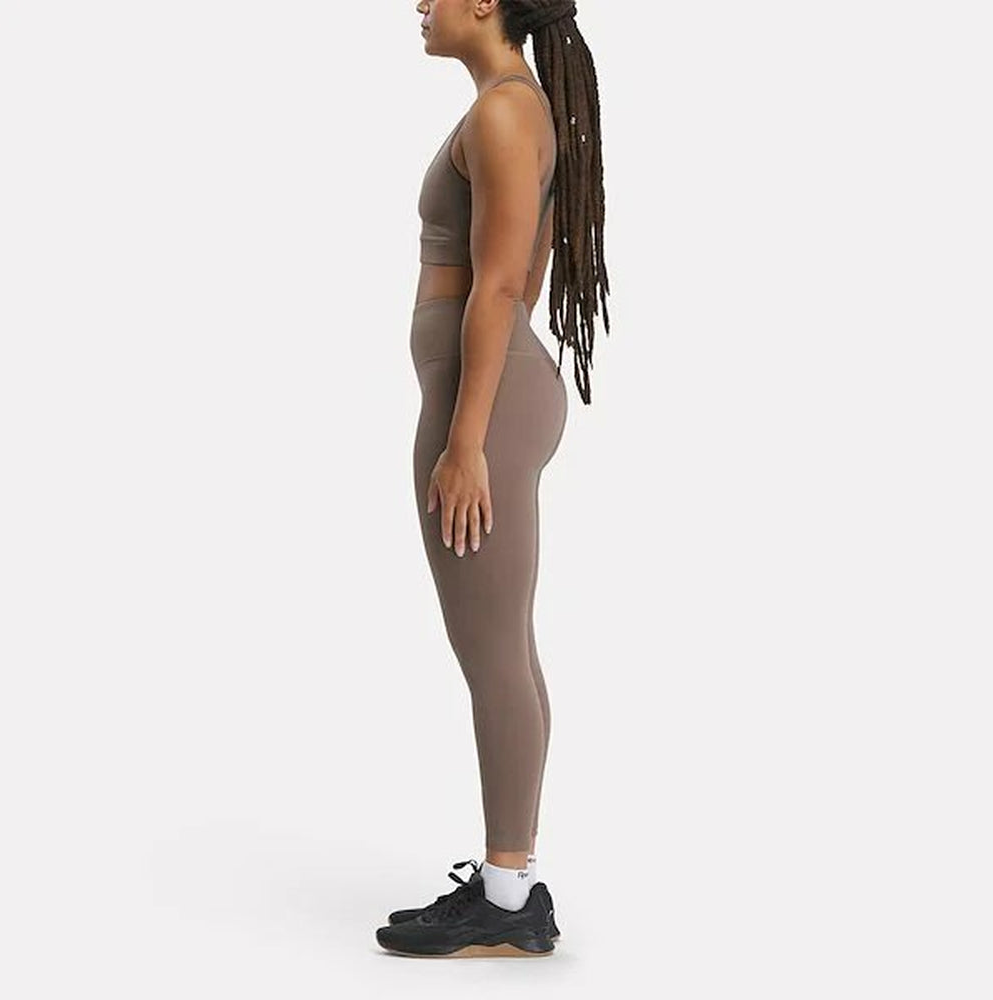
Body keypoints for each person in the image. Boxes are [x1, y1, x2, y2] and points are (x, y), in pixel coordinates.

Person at [376, 0, 610, 958]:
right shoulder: (510, 104)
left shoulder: (507, 109)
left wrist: (466, 440)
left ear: (487, 3)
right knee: (502, 644)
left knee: (490, 651)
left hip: (486, 406)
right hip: (491, 395)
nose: (420, 5)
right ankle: (511, 885)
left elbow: (504, 284)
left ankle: (509, 902)